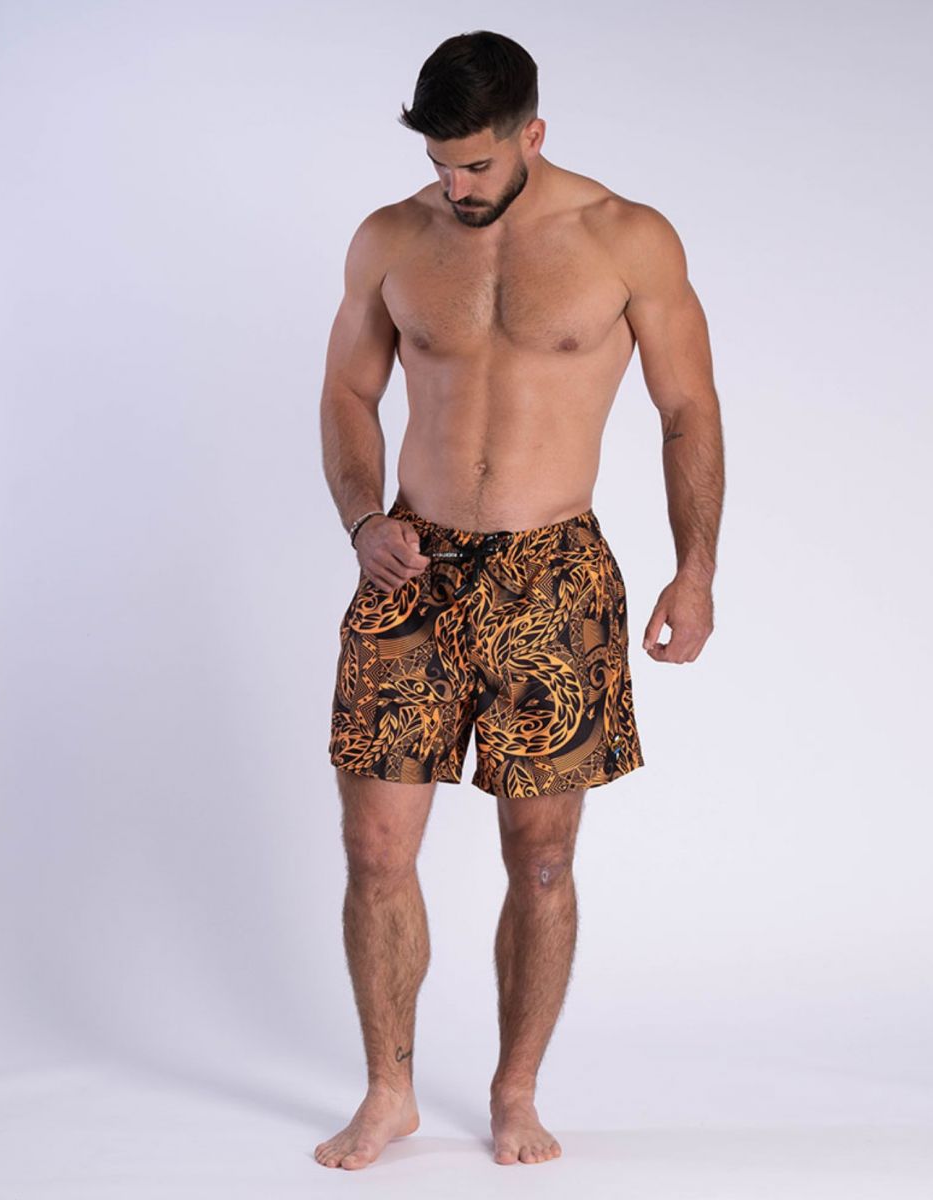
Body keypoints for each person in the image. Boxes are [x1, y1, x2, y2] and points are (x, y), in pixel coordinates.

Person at [315, 29, 724, 1170]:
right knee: (374, 850)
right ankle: (388, 1090)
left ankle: (514, 1089)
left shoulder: (625, 238)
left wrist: (693, 569)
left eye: (476, 165)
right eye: (440, 165)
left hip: (553, 576)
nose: (456, 187)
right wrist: (361, 522)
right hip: (410, 572)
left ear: (532, 134)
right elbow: (346, 391)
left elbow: (686, 409)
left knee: (540, 859)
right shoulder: (391, 239)